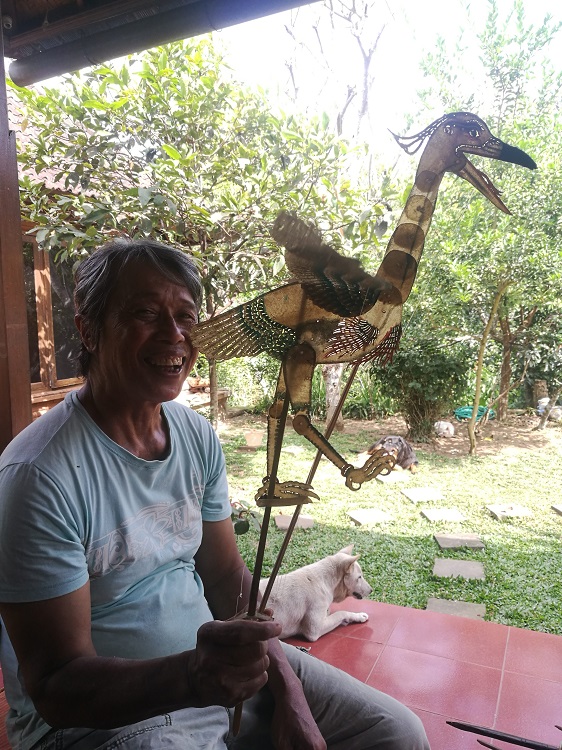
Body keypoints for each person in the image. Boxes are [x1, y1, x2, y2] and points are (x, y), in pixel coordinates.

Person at [0, 238, 430, 750]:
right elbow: (56, 686)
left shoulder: (195, 436)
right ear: (89, 329)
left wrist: (289, 694)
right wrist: (193, 677)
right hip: (108, 719)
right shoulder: (38, 476)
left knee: (396, 733)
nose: (175, 335)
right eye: (145, 313)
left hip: (222, 669)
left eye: (186, 317)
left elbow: (227, 580)